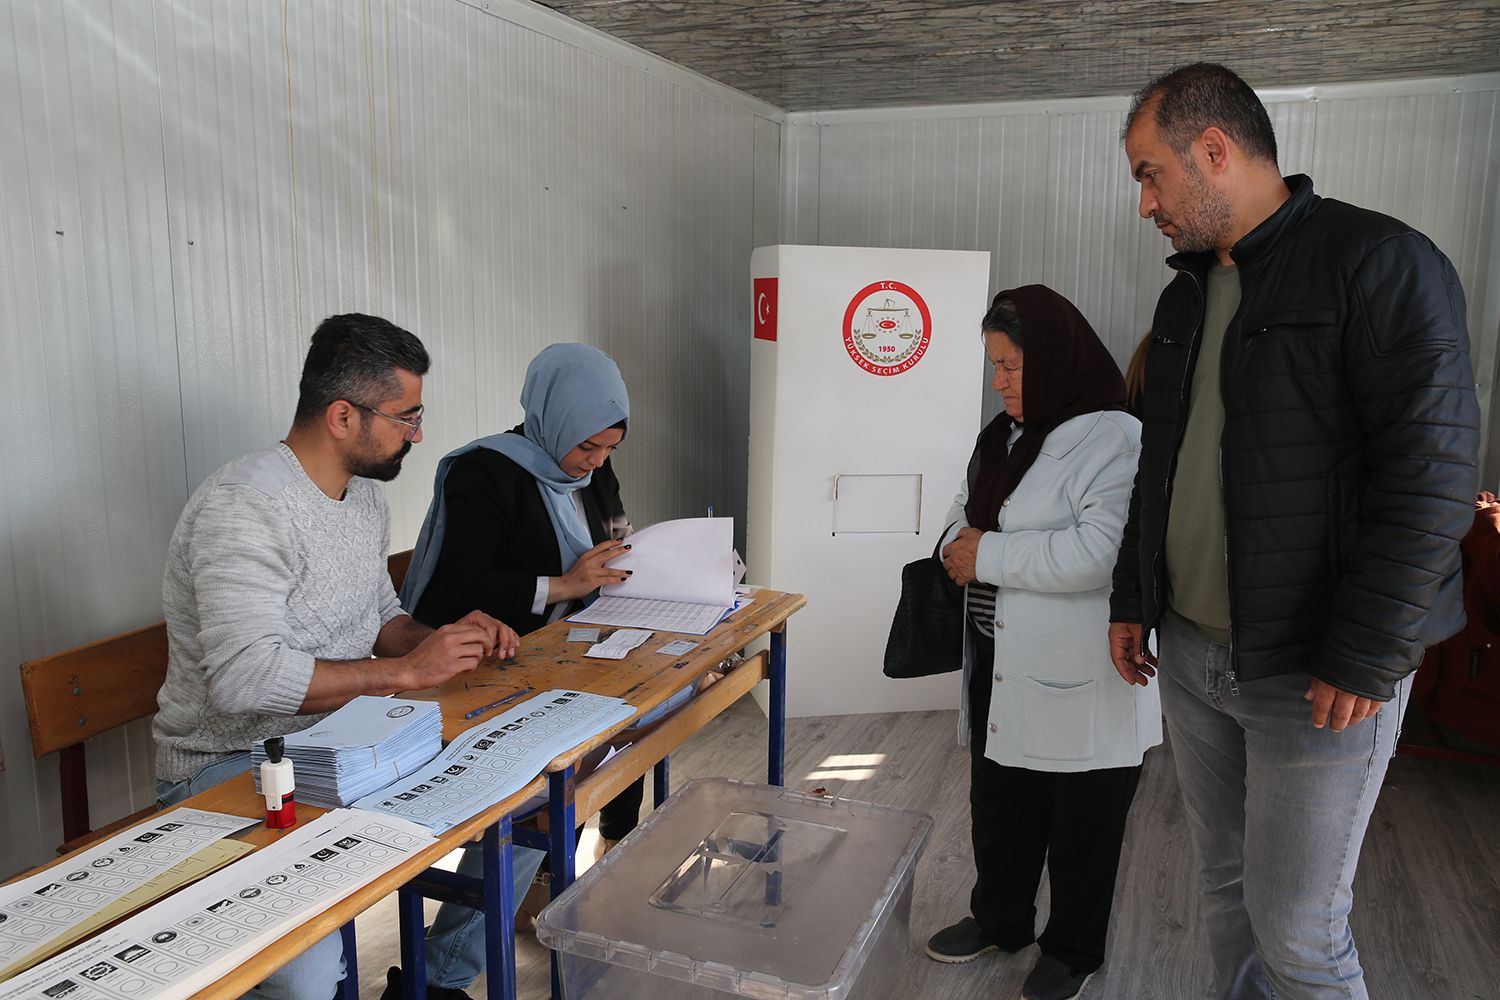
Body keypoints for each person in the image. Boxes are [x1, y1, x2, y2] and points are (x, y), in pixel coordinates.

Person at [1108, 63, 1479, 1000]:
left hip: (1316, 673)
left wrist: (1363, 653)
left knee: (1301, 933)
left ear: (1215, 150)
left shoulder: (1380, 262)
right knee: (1227, 892)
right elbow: (1160, 466)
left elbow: (1431, 476)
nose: (1145, 202)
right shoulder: (1186, 296)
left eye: (1151, 173)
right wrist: (1131, 598)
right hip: (1192, 657)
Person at [153, 313, 519, 1000]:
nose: (417, 433)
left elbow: (379, 618)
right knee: (305, 973)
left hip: (339, 746)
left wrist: (437, 642)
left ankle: (434, 985)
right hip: (230, 769)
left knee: (522, 800)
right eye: (406, 418)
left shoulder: (363, 500)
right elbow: (243, 681)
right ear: (343, 416)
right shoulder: (244, 508)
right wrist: (407, 673)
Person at [387, 342, 657, 999]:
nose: (596, 464)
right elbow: (458, 586)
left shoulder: (596, 467)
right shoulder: (484, 472)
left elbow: (615, 540)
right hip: (481, 667)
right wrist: (562, 586)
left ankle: (602, 868)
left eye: (607, 450)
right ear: (554, 418)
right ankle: (444, 972)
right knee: (538, 803)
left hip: (567, 659)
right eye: (586, 449)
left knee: (637, 724)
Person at [924, 287, 1161, 1000]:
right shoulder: (1001, 437)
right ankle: (1000, 920)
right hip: (998, 656)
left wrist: (984, 557)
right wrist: (952, 548)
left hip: (1081, 666)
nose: (998, 381)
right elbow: (955, 519)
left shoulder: (1114, 436)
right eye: (993, 365)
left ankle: (1073, 950)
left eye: (1010, 366)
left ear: (1054, 359)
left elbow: (1100, 552)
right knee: (1000, 804)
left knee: (1082, 823)